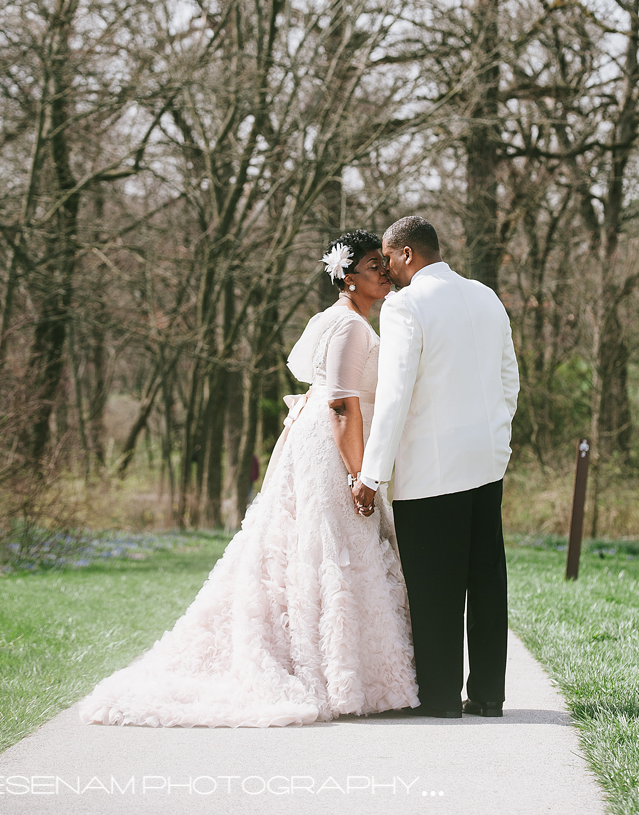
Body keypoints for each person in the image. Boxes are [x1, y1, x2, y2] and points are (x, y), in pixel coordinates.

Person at [80, 230, 418, 728]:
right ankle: (333, 673)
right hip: (331, 445)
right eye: (373, 266)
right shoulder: (349, 327)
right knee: (334, 545)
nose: (384, 273)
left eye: (383, 265)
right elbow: (343, 403)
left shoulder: (344, 321)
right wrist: (359, 476)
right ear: (349, 278)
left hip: (317, 439)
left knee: (322, 549)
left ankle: (343, 669)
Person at [353, 216, 519, 719]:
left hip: (432, 470)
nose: (386, 270)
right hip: (487, 461)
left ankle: (442, 697)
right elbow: (509, 378)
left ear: (406, 254)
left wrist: (372, 473)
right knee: (486, 580)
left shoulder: (406, 305)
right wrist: (497, 439)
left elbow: (395, 394)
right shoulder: (486, 296)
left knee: (433, 585)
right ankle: (489, 696)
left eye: (387, 258)